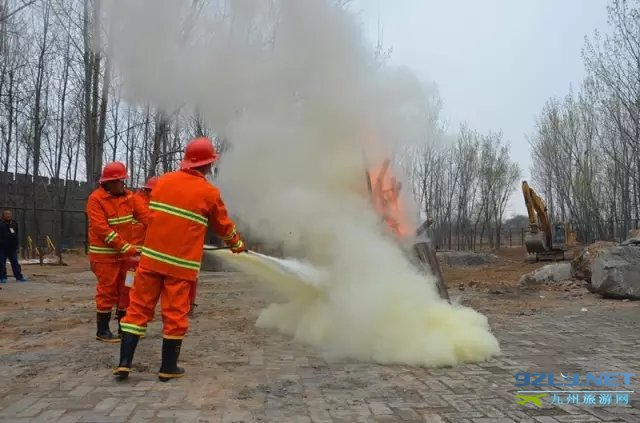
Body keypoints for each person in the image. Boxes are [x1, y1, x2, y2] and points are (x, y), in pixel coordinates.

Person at [114, 137, 246, 382]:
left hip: (151, 261)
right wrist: (236, 244)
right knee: (174, 314)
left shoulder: (163, 182)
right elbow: (223, 225)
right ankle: (167, 368)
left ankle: (124, 363)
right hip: (180, 266)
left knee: (137, 310)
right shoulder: (209, 192)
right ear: (207, 164)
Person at [86, 162, 149, 343]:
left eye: (123, 180)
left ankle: (125, 328)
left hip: (124, 256)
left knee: (127, 290)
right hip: (104, 257)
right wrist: (126, 247)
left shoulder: (129, 197)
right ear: (110, 182)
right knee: (108, 291)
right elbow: (102, 229)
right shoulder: (96, 200)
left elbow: (146, 217)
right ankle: (102, 330)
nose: (123, 184)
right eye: (120, 181)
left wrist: (162, 230)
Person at [130, 176, 159, 249]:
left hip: (142, 244)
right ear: (148, 190)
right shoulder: (138, 200)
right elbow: (148, 220)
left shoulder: (149, 200)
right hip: (136, 244)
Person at [0, 210, 27, 283]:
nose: (8, 215)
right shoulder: (1, 224)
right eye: (6, 214)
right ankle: (2, 277)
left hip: (12, 248)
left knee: (15, 263)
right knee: (1, 263)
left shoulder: (14, 223)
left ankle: (19, 277)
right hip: (2, 248)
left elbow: (16, 235)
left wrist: (17, 245)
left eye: (9, 214)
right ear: (3, 215)